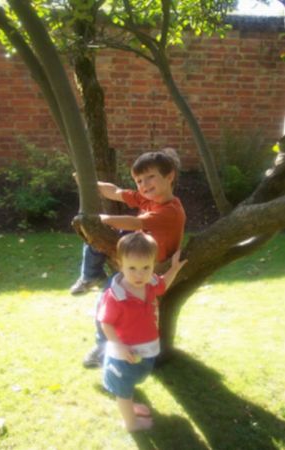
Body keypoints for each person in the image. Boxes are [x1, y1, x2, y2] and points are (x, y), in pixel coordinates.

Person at [75, 148, 186, 367]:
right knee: (98, 240)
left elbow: (134, 223)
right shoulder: (147, 199)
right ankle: (91, 275)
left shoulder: (171, 210)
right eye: (139, 181)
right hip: (138, 257)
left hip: (148, 271)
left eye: (150, 177)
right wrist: (89, 185)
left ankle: (102, 347)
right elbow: (115, 192)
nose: (144, 185)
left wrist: (101, 219)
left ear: (170, 176)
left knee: (108, 300)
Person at [97, 231, 187, 431]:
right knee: (123, 389)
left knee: (132, 380)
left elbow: (162, 284)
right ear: (120, 265)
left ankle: (130, 405)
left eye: (146, 267)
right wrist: (118, 346)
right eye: (132, 268)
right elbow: (106, 323)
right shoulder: (115, 296)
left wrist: (174, 268)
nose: (140, 274)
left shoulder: (150, 283)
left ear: (153, 264)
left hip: (145, 350)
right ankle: (130, 423)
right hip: (124, 354)